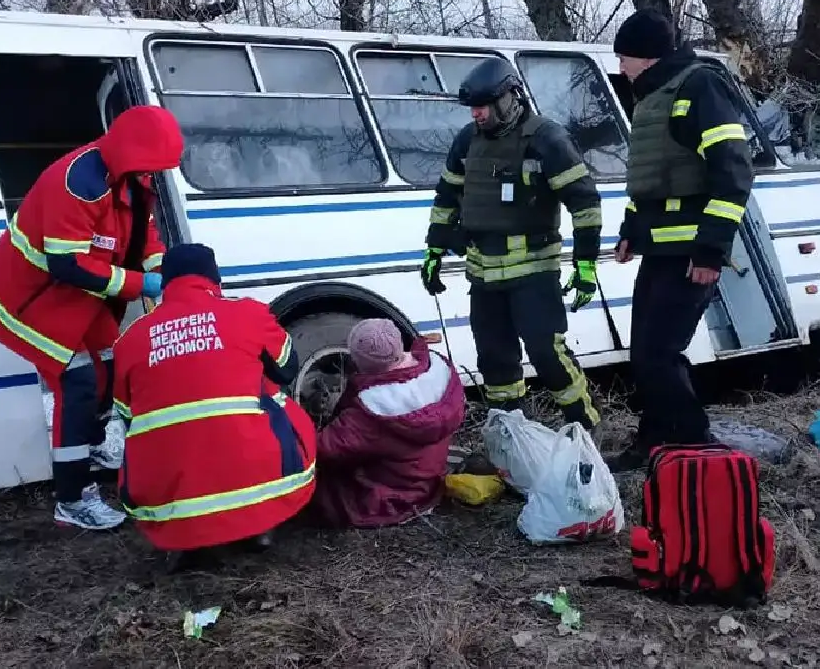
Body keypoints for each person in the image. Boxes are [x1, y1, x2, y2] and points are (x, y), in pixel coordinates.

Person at [0, 105, 183, 530]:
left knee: (112, 369)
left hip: (77, 297)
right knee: (79, 382)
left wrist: (158, 267)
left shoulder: (133, 174)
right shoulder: (79, 184)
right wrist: (143, 285)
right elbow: (68, 265)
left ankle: (93, 442)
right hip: (30, 299)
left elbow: (143, 234)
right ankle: (72, 497)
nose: (155, 173)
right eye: (152, 165)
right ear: (130, 152)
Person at [607, 9, 755, 472]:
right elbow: (650, 181)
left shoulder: (699, 87)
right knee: (644, 353)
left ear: (646, 57)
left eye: (624, 58)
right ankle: (653, 439)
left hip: (693, 252)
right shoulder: (651, 99)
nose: (621, 68)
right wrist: (632, 232)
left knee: (660, 353)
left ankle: (695, 444)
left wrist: (711, 249)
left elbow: (733, 173)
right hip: (660, 250)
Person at [422, 57, 603, 429]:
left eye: (483, 106)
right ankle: (512, 438)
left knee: (546, 353)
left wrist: (585, 265)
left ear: (509, 98)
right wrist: (434, 250)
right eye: (473, 108)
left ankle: (585, 428)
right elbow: (446, 198)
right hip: (483, 276)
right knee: (494, 360)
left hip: (534, 272)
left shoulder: (546, 139)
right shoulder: (466, 141)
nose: (477, 115)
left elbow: (585, 203)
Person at [111, 243, 317, 558]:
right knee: (271, 394)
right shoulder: (247, 312)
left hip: (166, 505)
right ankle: (260, 525)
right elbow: (288, 368)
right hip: (264, 491)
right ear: (214, 278)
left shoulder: (130, 339)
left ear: (165, 284)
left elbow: (128, 415)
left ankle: (185, 540)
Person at [312, 318, 465, 528]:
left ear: (361, 363)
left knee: (319, 488)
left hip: (392, 498)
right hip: (430, 478)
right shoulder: (439, 368)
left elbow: (320, 450)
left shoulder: (371, 412)